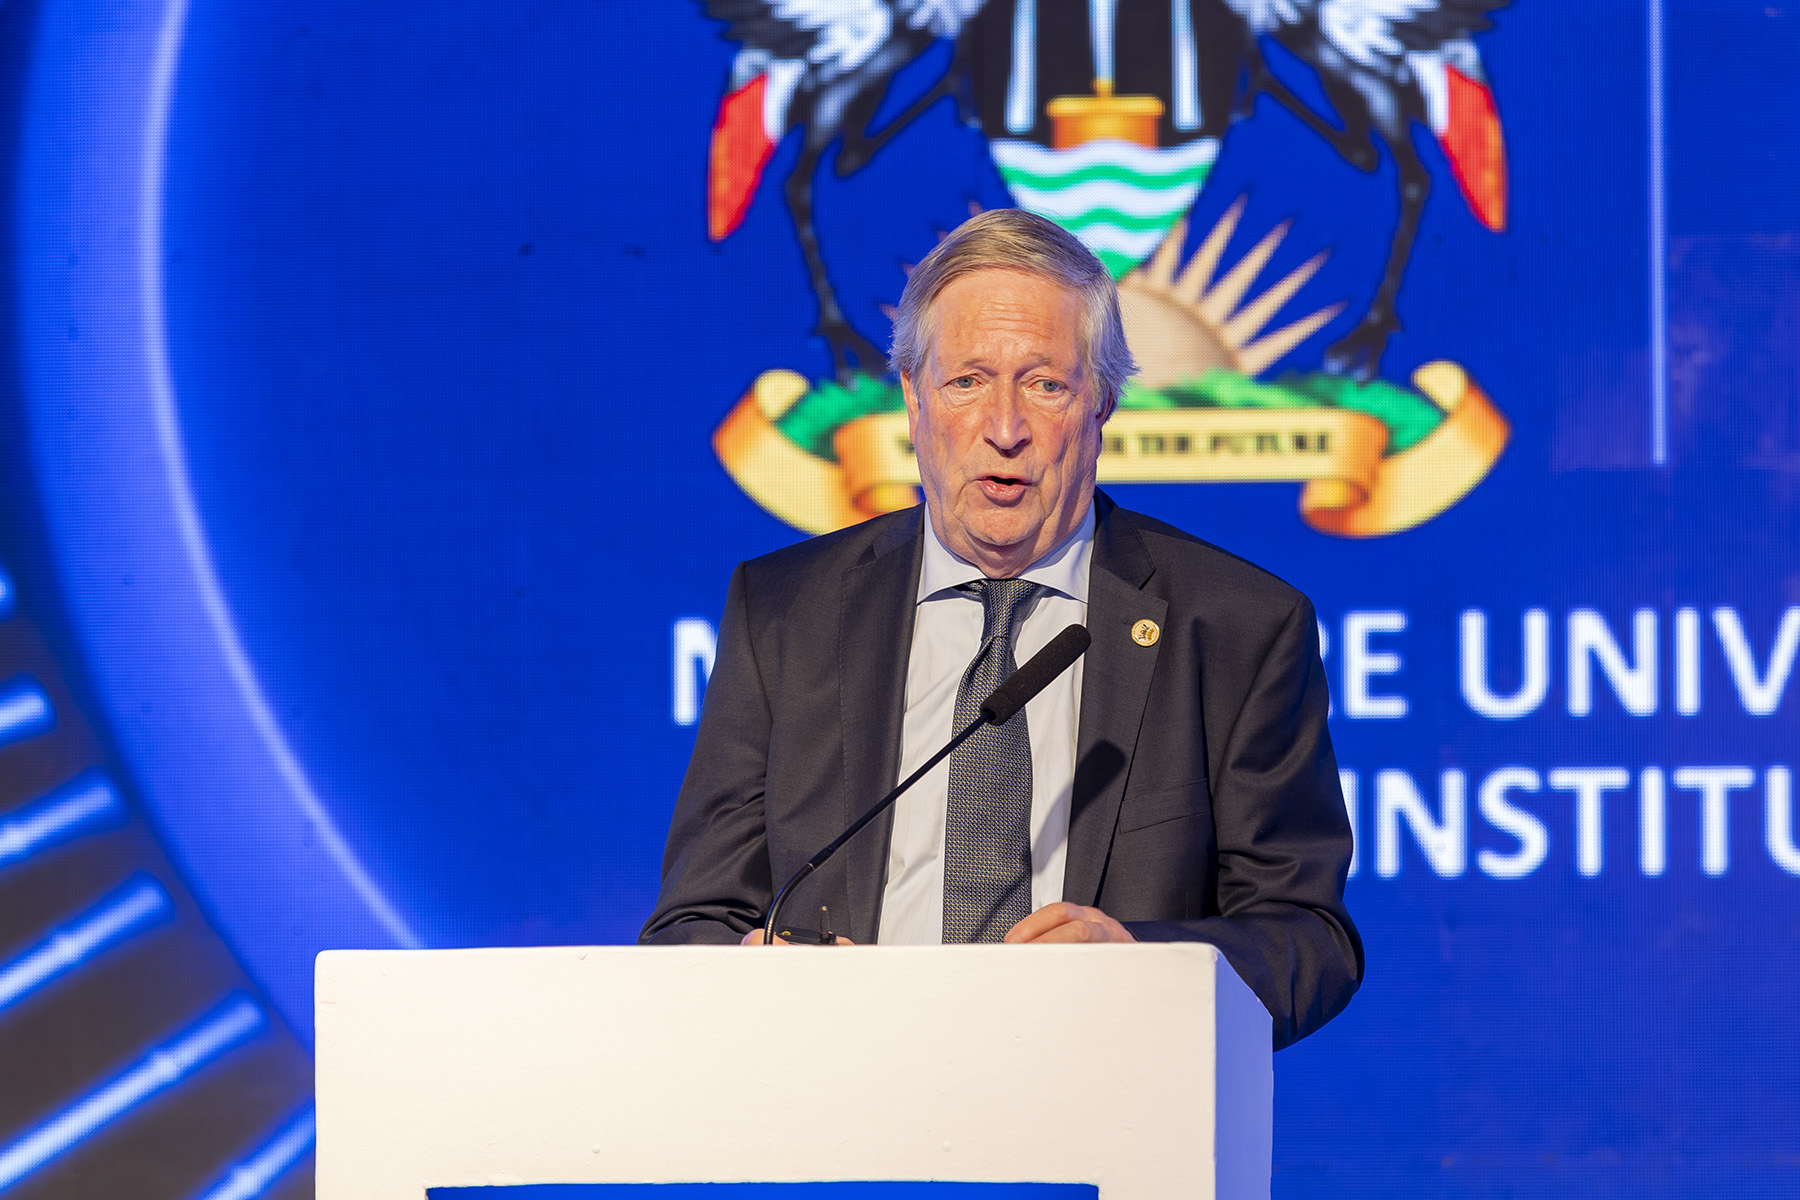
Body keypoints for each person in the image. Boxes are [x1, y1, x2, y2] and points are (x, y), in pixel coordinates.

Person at [641, 208, 1362, 1048]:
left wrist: (1140, 965)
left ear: (1102, 403)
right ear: (913, 399)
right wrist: (753, 973)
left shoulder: (1239, 627)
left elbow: (1309, 940)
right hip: (844, 1086)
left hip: (1101, 1095)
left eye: (1045, 385)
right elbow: (693, 922)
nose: (1006, 429)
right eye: (968, 381)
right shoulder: (783, 612)